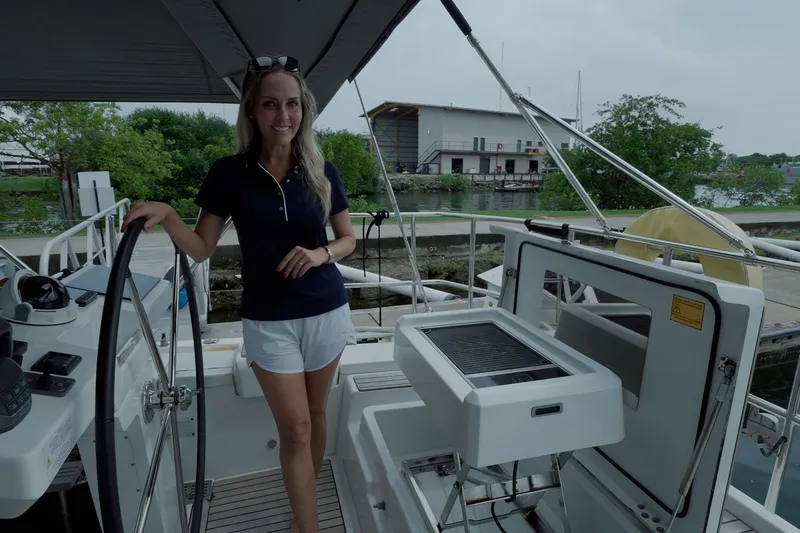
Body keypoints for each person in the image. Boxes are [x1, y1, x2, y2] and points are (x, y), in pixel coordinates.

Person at [121, 54, 358, 533]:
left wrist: (319, 255)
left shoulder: (321, 169)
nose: (283, 116)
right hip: (269, 319)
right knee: (294, 429)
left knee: (315, 414)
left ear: (304, 110)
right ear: (252, 110)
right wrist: (169, 215)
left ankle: (301, 516)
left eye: (292, 105)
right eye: (271, 105)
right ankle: (308, 527)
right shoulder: (229, 173)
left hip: (326, 310)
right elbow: (202, 249)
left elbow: (348, 239)